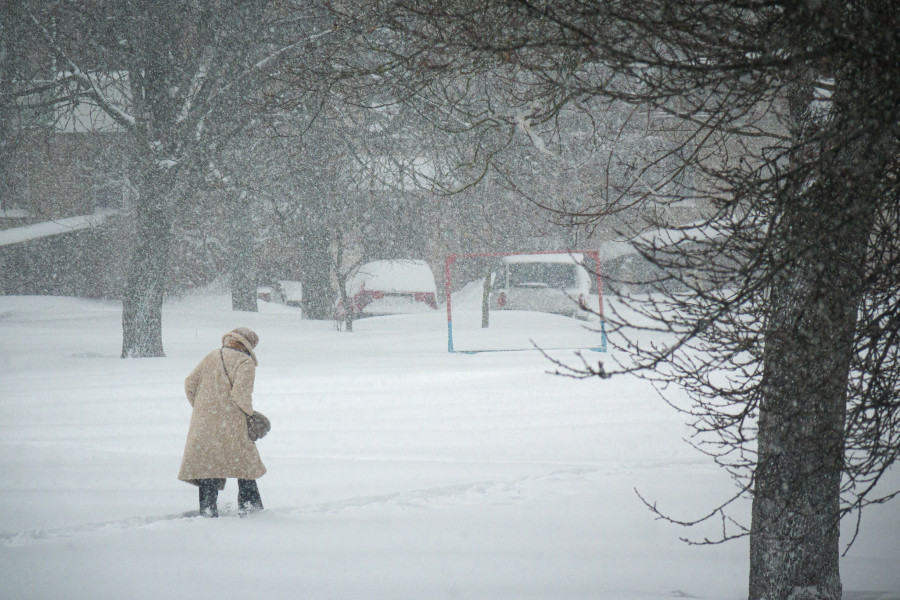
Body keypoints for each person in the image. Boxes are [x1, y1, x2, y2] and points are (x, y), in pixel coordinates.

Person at [178, 327, 266, 517]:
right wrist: (251, 415)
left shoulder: (212, 356)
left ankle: (208, 510)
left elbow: (189, 383)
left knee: (209, 465)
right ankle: (251, 507)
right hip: (232, 424)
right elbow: (241, 395)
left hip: (204, 422)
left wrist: (203, 408)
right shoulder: (245, 362)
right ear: (248, 345)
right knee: (245, 465)